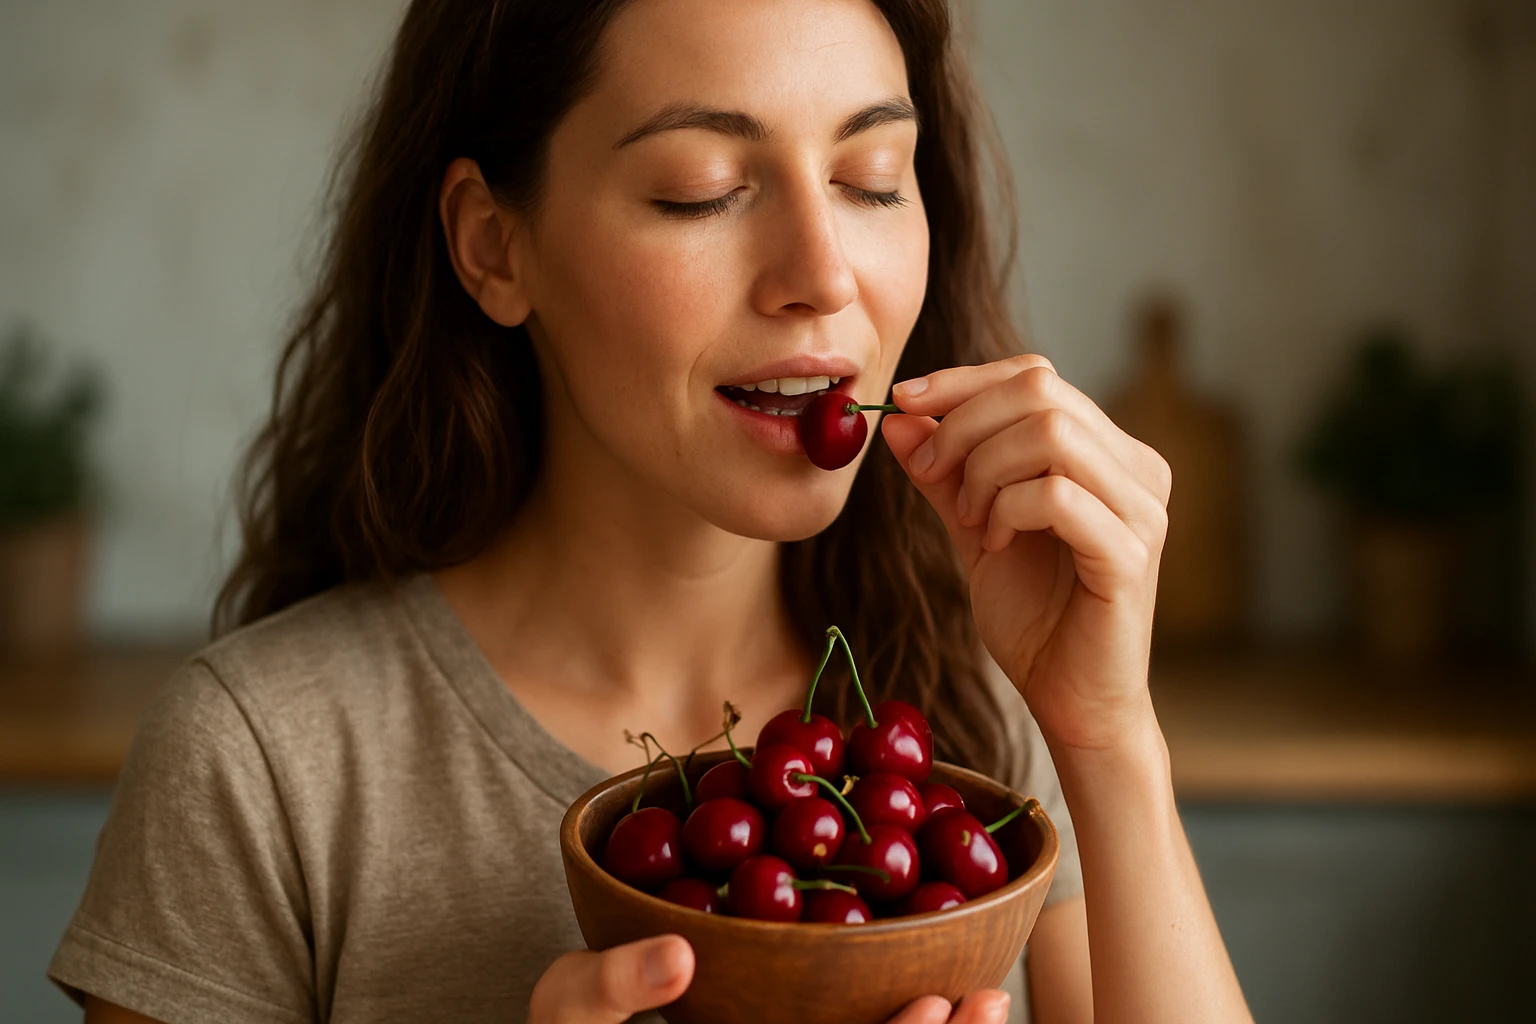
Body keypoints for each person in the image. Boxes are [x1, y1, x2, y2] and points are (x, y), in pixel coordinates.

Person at [49, 1, 1252, 1022]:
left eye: (872, 180)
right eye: (704, 192)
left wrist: (1108, 736)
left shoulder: (979, 704)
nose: (825, 275)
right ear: (493, 246)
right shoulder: (263, 764)